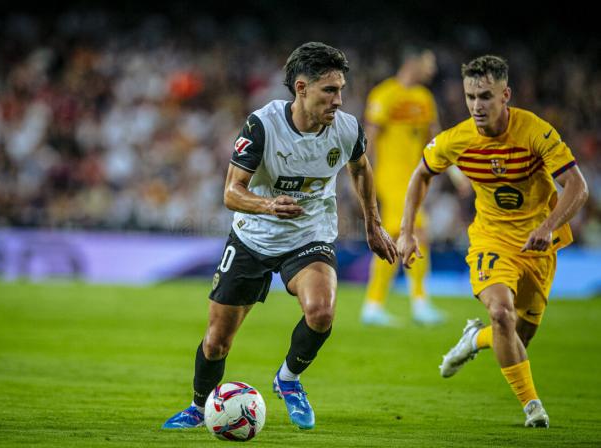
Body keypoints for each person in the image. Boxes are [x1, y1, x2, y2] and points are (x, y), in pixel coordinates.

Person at [162, 42, 398, 431]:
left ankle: (288, 380)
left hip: (309, 234)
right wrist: (268, 206)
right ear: (301, 89)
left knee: (322, 311)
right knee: (216, 341)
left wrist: (372, 224)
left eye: (341, 89)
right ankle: (199, 405)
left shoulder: (347, 128)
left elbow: (361, 169)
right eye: (329, 90)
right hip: (252, 237)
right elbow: (230, 193)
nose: (339, 100)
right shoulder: (262, 125)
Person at [397, 55, 588, 428]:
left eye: (485, 96)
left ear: (506, 95)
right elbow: (421, 174)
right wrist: (406, 231)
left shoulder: (535, 131)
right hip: (491, 238)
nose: (476, 106)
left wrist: (548, 226)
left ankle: (474, 340)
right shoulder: (458, 139)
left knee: (519, 335)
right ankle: (533, 407)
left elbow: (577, 186)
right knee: (501, 312)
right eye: (470, 97)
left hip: (537, 244)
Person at [361, 46, 448, 326]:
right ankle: (420, 302)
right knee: (417, 232)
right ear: (412, 62)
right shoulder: (384, 95)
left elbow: (434, 139)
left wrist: (447, 171)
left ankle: (373, 305)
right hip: (389, 178)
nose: (433, 69)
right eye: (429, 62)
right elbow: (370, 141)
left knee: (395, 238)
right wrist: (363, 179)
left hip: (415, 180)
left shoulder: (424, 98)